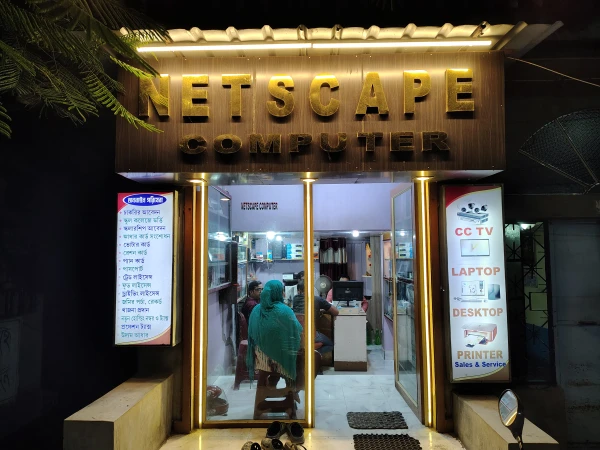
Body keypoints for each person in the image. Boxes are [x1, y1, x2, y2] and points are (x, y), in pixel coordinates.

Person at [246, 280, 303, 384]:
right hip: (279, 358)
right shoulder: (285, 310)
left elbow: (252, 334)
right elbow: (297, 330)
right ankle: (291, 387)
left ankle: (271, 384)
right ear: (279, 293)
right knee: (302, 355)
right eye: (282, 291)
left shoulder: (256, 309)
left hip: (260, 358)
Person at [292, 280, 338, 356]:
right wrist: (323, 309)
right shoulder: (317, 299)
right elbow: (336, 312)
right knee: (330, 345)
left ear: (298, 290)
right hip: (312, 334)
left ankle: (304, 350)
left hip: (297, 334)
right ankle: (310, 352)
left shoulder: (295, 299)